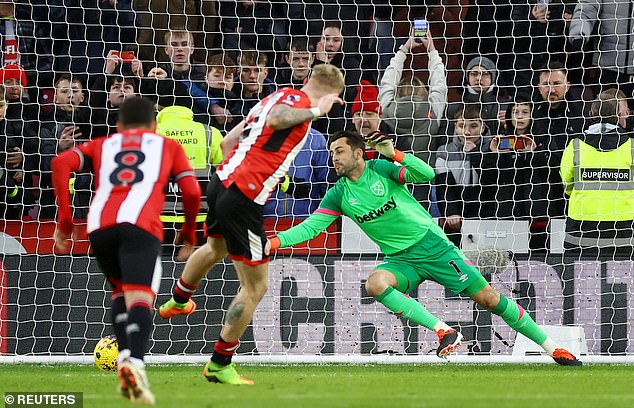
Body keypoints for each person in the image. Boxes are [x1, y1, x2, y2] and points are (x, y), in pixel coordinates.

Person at [267, 129, 582, 366]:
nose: (333, 157)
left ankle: (552, 347)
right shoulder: (338, 194)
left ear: (359, 153)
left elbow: (427, 174)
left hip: (434, 248)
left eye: (339, 151)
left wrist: (395, 153)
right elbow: (312, 226)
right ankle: (444, 331)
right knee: (376, 283)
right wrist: (276, 241)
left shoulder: (381, 169)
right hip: (401, 259)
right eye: (331, 152)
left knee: (490, 299)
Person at [158, 64, 346, 384]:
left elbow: (227, 143)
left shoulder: (274, 96)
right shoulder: (301, 106)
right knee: (256, 287)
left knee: (215, 246)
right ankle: (220, 363)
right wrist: (318, 108)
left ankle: (178, 298)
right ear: (330, 93)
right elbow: (278, 121)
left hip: (221, 181)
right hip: (244, 196)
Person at [51, 97, 201, 404]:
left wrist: (65, 221)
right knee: (141, 296)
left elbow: (60, 162)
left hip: (99, 227)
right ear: (154, 125)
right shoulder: (167, 146)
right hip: (140, 225)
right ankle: (135, 362)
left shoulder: (103, 143)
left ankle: (123, 362)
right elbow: (192, 190)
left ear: (119, 125)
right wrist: (188, 231)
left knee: (120, 292)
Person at [560, 89, 634, 256]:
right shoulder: (631, 147)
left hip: (581, 230)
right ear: (619, 115)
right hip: (624, 232)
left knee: (578, 280)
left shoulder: (575, 145)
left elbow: (567, 182)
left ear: (591, 113)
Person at [435, 105, 495, 246]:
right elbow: (444, 187)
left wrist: (475, 155)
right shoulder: (445, 152)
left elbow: (493, 182)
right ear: (455, 127)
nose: (467, 132)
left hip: (489, 216)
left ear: (483, 127)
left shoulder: (494, 147)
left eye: (473, 126)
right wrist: (451, 212)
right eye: (462, 126)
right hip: (457, 218)